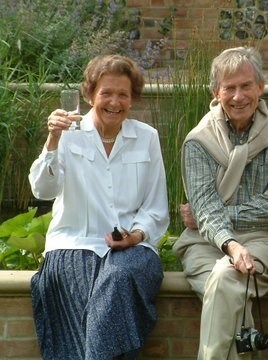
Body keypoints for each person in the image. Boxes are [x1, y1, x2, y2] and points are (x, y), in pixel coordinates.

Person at [29, 54, 169, 360]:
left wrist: (135, 235)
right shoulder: (66, 135)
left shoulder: (147, 138)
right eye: (106, 93)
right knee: (82, 286)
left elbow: (156, 207)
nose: (114, 102)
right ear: (90, 94)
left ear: (133, 99)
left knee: (117, 280)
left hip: (133, 249)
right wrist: (52, 140)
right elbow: (43, 189)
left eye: (123, 94)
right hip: (73, 242)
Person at [172, 46, 268, 360]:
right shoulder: (198, 141)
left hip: (265, 241)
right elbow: (204, 206)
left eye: (246, 86)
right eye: (229, 88)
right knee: (226, 289)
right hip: (205, 244)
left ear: (260, 87)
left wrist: (219, 214)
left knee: (223, 280)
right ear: (215, 92)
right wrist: (231, 244)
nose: (238, 96)